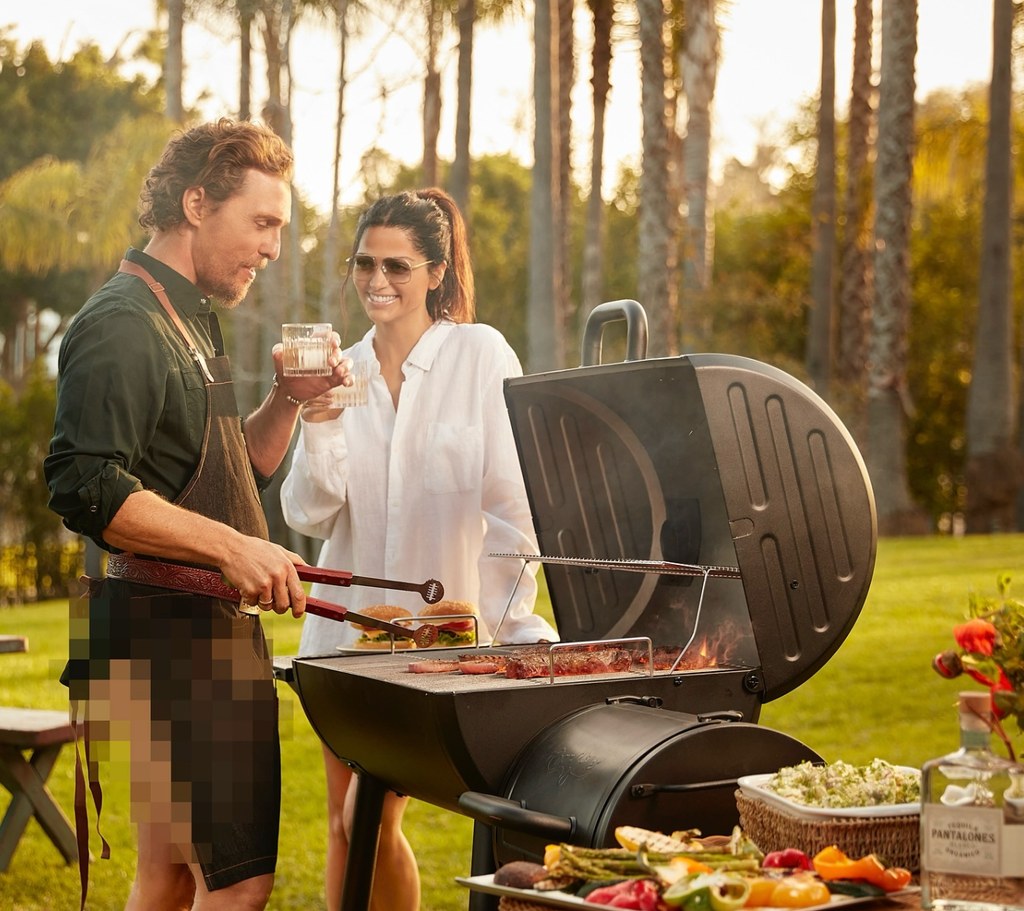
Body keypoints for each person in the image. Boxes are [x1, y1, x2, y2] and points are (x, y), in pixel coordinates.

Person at [44, 118, 350, 911]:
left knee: (171, 872)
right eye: (262, 222)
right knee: (239, 880)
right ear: (194, 203)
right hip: (168, 637)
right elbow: (84, 484)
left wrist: (288, 398)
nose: (274, 246)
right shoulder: (121, 323)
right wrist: (232, 549)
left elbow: (226, 474)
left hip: (178, 633)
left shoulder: (188, 316)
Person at [280, 187, 557, 909]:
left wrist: (507, 629)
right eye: (365, 263)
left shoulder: (480, 353)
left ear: (436, 271)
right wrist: (317, 418)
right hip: (345, 640)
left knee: (367, 816)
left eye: (398, 266)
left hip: (443, 641)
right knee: (347, 827)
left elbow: (513, 506)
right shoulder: (343, 372)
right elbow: (308, 510)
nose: (377, 281)